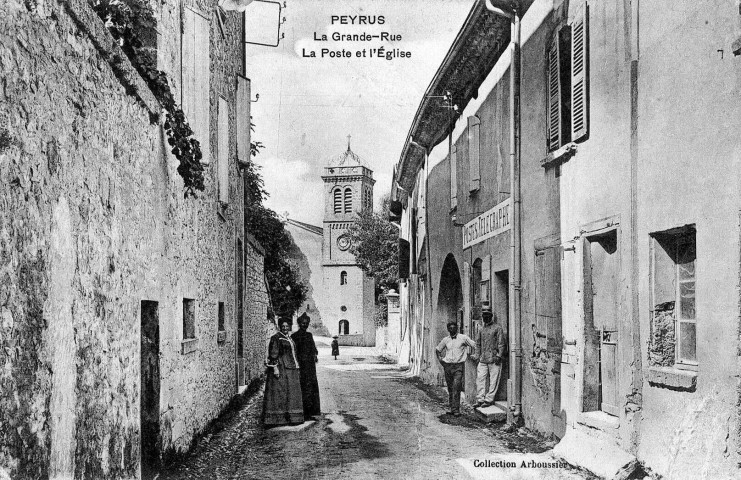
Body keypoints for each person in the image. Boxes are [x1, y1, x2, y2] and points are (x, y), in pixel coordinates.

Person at [262, 319, 304, 426]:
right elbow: (273, 354)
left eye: (287, 326)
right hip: (282, 368)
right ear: (280, 326)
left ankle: (292, 417)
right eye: (283, 326)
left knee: (291, 393)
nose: (285, 328)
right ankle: (277, 419)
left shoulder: (288, 338)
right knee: (280, 392)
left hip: (291, 368)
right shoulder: (276, 338)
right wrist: (275, 368)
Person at [436, 321, 476, 416]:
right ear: (448, 329)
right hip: (448, 366)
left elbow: (474, 345)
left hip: (458, 366)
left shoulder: (463, 338)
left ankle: (456, 410)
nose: (452, 329)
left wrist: (476, 355)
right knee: (450, 388)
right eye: (450, 328)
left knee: (456, 387)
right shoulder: (446, 340)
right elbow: (438, 350)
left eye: (454, 328)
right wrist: (441, 360)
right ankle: (452, 408)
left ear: (457, 328)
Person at [471, 306, 507, 408]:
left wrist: (499, 356)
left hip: (494, 358)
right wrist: (477, 355)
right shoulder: (481, 329)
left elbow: (501, 343)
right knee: (480, 379)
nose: (486, 317)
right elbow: (478, 344)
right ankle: (480, 399)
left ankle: (489, 399)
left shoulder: (497, 328)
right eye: (484, 316)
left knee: (493, 380)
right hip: (483, 359)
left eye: (488, 315)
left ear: (491, 316)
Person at [291, 312, 321, 417]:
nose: (305, 325)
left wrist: (315, 355)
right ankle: (301, 411)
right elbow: (293, 351)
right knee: (301, 386)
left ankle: (311, 411)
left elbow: (313, 348)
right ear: (299, 323)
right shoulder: (294, 336)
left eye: (306, 323)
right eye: (303, 323)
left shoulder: (309, 335)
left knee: (310, 387)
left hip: (310, 366)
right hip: (300, 365)